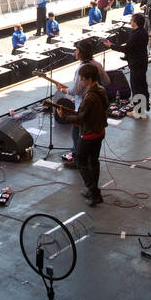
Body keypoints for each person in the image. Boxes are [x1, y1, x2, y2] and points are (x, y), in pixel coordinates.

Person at [53, 62, 107, 207]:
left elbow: (80, 118)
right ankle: (93, 190)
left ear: (89, 79)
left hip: (89, 134)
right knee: (94, 161)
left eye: (82, 79)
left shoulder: (89, 97)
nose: (81, 82)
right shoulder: (101, 90)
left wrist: (63, 116)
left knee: (81, 161)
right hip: (99, 131)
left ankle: (94, 193)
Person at [122, 12, 151, 115]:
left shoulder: (136, 35)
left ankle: (138, 111)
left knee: (136, 87)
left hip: (136, 64)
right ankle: (145, 105)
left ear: (135, 22)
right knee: (142, 85)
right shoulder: (143, 32)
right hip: (142, 62)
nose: (130, 21)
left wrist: (111, 45)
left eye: (131, 20)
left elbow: (126, 48)